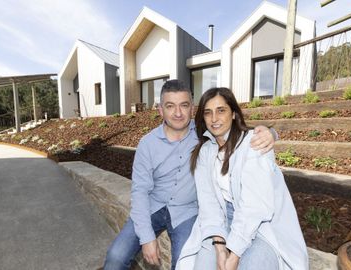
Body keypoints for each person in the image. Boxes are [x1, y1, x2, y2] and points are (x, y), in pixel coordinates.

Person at [102, 80, 276, 270]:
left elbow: (238, 132)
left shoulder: (204, 132)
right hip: (152, 208)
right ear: (160, 110)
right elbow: (140, 192)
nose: (178, 113)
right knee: (115, 257)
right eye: (170, 106)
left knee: (184, 262)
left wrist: (271, 133)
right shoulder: (147, 144)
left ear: (192, 109)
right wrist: (147, 238)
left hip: (186, 212)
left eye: (184, 105)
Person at [177, 87, 308, 270]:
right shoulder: (204, 153)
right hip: (219, 223)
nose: (214, 119)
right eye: (208, 113)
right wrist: (220, 246)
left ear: (233, 114)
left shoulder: (253, 143)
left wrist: (235, 253)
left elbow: (254, 207)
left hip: (260, 226)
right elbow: (209, 204)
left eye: (221, 110)